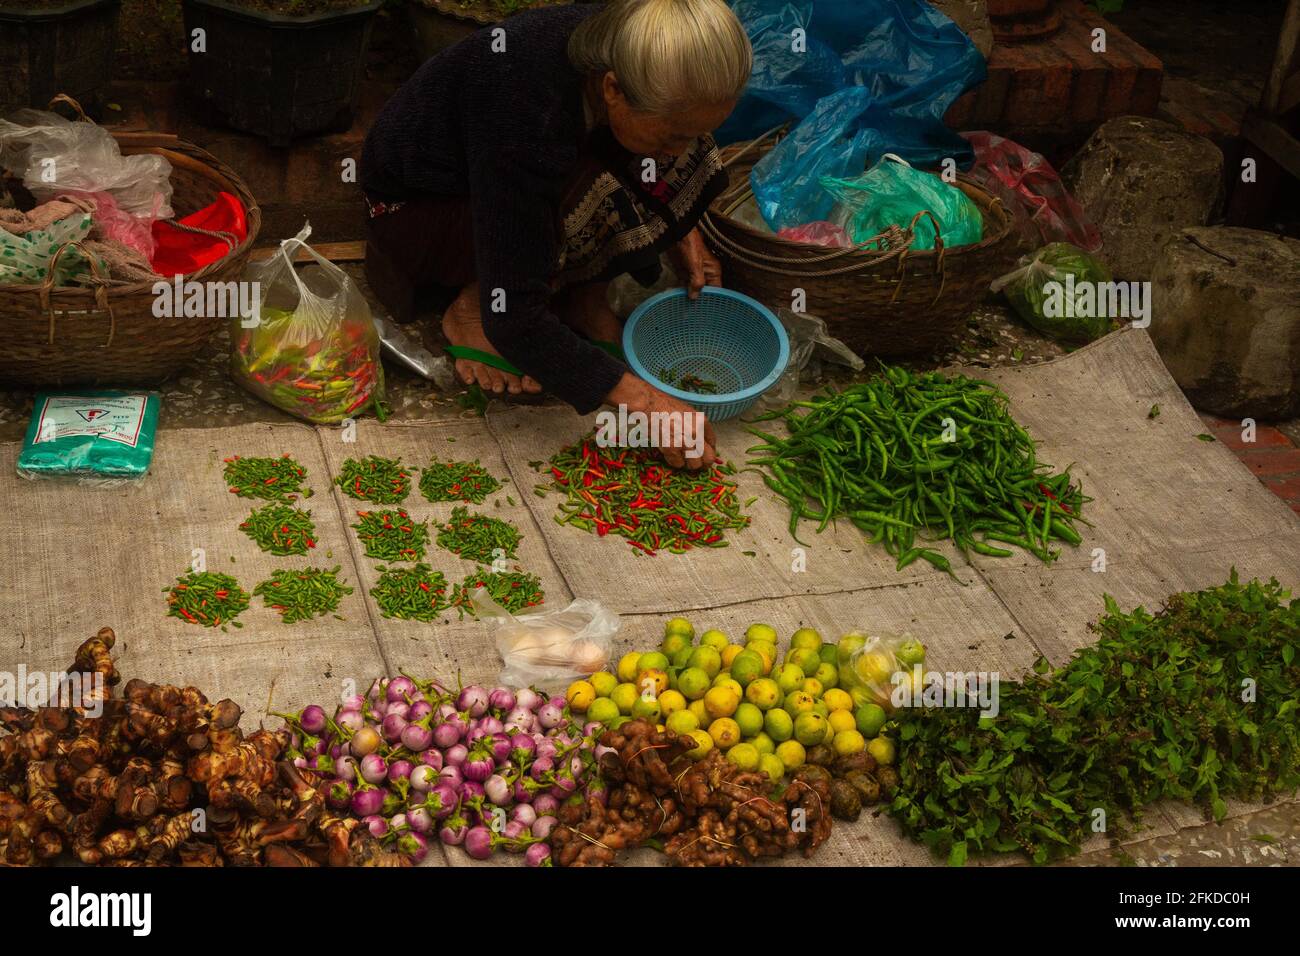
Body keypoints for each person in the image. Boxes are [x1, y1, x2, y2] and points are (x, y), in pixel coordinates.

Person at [361, 0, 752, 467]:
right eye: (671, 133)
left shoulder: (636, 40)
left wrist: (684, 232)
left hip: (508, 174)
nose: (677, 148)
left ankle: (584, 298)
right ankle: (472, 307)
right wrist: (650, 405)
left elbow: (675, 146)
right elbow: (519, 319)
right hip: (420, 211)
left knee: (689, 164)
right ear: (612, 88)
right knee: (584, 196)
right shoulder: (525, 112)